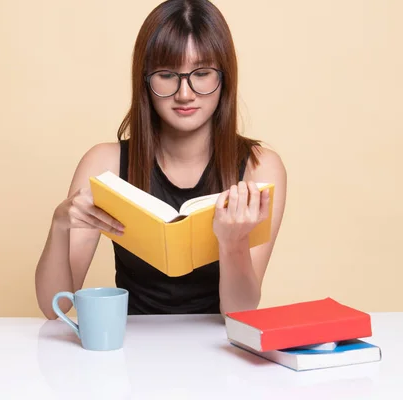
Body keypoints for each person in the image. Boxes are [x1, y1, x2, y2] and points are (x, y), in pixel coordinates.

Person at [35, 0, 287, 318]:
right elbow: (54, 305)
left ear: (224, 79)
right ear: (145, 80)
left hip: (222, 352)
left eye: (202, 73)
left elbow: (239, 311)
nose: (185, 93)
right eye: (167, 74)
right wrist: (60, 225)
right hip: (130, 347)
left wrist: (232, 243)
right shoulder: (105, 163)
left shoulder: (259, 168)